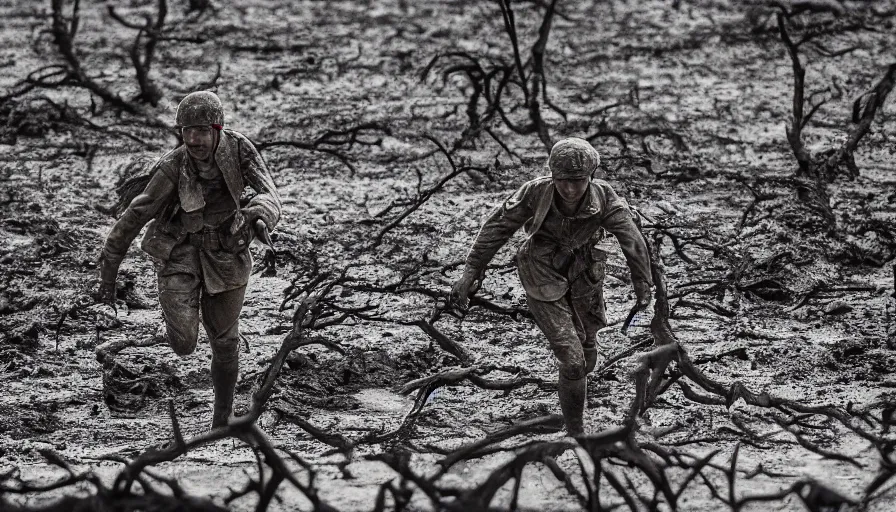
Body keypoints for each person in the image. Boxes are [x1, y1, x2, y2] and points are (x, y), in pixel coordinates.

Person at [96, 91, 281, 428]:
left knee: (225, 342)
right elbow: (135, 216)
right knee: (183, 343)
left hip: (226, 257)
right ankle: (140, 337)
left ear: (218, 129)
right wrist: (108, 278)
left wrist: (259, 214)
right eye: (187, 131)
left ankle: (222, 421)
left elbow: (269, 191)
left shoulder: (240, 150)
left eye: (202, 131)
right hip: (178, 253)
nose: (194, 140)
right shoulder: (173, 166)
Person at [450, 137, 652, 436]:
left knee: (587, 355)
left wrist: (642, 282)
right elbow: (497, 227)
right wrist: (471, 272)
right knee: (572, 361)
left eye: (578, 181)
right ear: (552, 176)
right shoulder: (535, 192)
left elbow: (631, 239)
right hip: (540, 271)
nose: (570, 189)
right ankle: (575, 433)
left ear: (591, 176)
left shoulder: (604, 197)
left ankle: (575, 397)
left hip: (585, 274)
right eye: (563, 181)